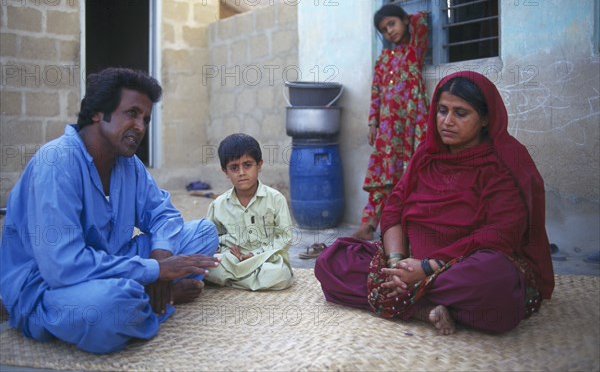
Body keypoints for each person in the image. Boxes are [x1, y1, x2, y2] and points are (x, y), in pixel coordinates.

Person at [316, 71, 554, 335]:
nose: (447, 122)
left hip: (460, 265)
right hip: (408, 259)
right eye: (442, 111)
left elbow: (500, 233)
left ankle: (412, 299)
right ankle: (425, 308)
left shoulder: (504, 162)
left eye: (460, 113)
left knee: (497, 282)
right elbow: (394, 208)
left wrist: (427, 268)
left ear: (485, 118)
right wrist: (397, 263)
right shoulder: (427, 155)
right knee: (331, 260)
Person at [0, 68, 220, 354]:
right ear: (97, 113)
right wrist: (153, 271)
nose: (140, 126)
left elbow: (164, 215)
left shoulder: (128, 164)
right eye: (131, 113)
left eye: (145, 119)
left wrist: (160, 263)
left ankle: (144, 297)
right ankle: (154, 301)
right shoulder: (57, 162)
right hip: (51, 288)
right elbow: (63, 267)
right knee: (110, 307)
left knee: (203, 233)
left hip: (112, 264)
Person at [352, 4, 430, 241]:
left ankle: (412, 224)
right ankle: (369, 222)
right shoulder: (383, 60)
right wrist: (373, 123)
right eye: (384, 29)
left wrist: (406, 19)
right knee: (382, 173)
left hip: (413, 120)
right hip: (387, 127)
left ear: (404, 21)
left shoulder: (415, 48)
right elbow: (376, 92)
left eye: (392, 24)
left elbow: (421, 20)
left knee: (414, 169)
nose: (389, 31)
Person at [205, 133, 294, 290]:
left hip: (265, 259)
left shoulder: (275, 199)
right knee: (210, 269)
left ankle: (235, 281)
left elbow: (285, 237)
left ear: (259, 165)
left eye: (247, 165)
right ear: (225, 171)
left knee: (280, 274)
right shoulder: (218, 205)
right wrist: (225, 251)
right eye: (234, 168)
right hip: (233, 260)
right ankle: (249, 280)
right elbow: (210, 239)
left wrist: (256, 254)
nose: (241, 173)